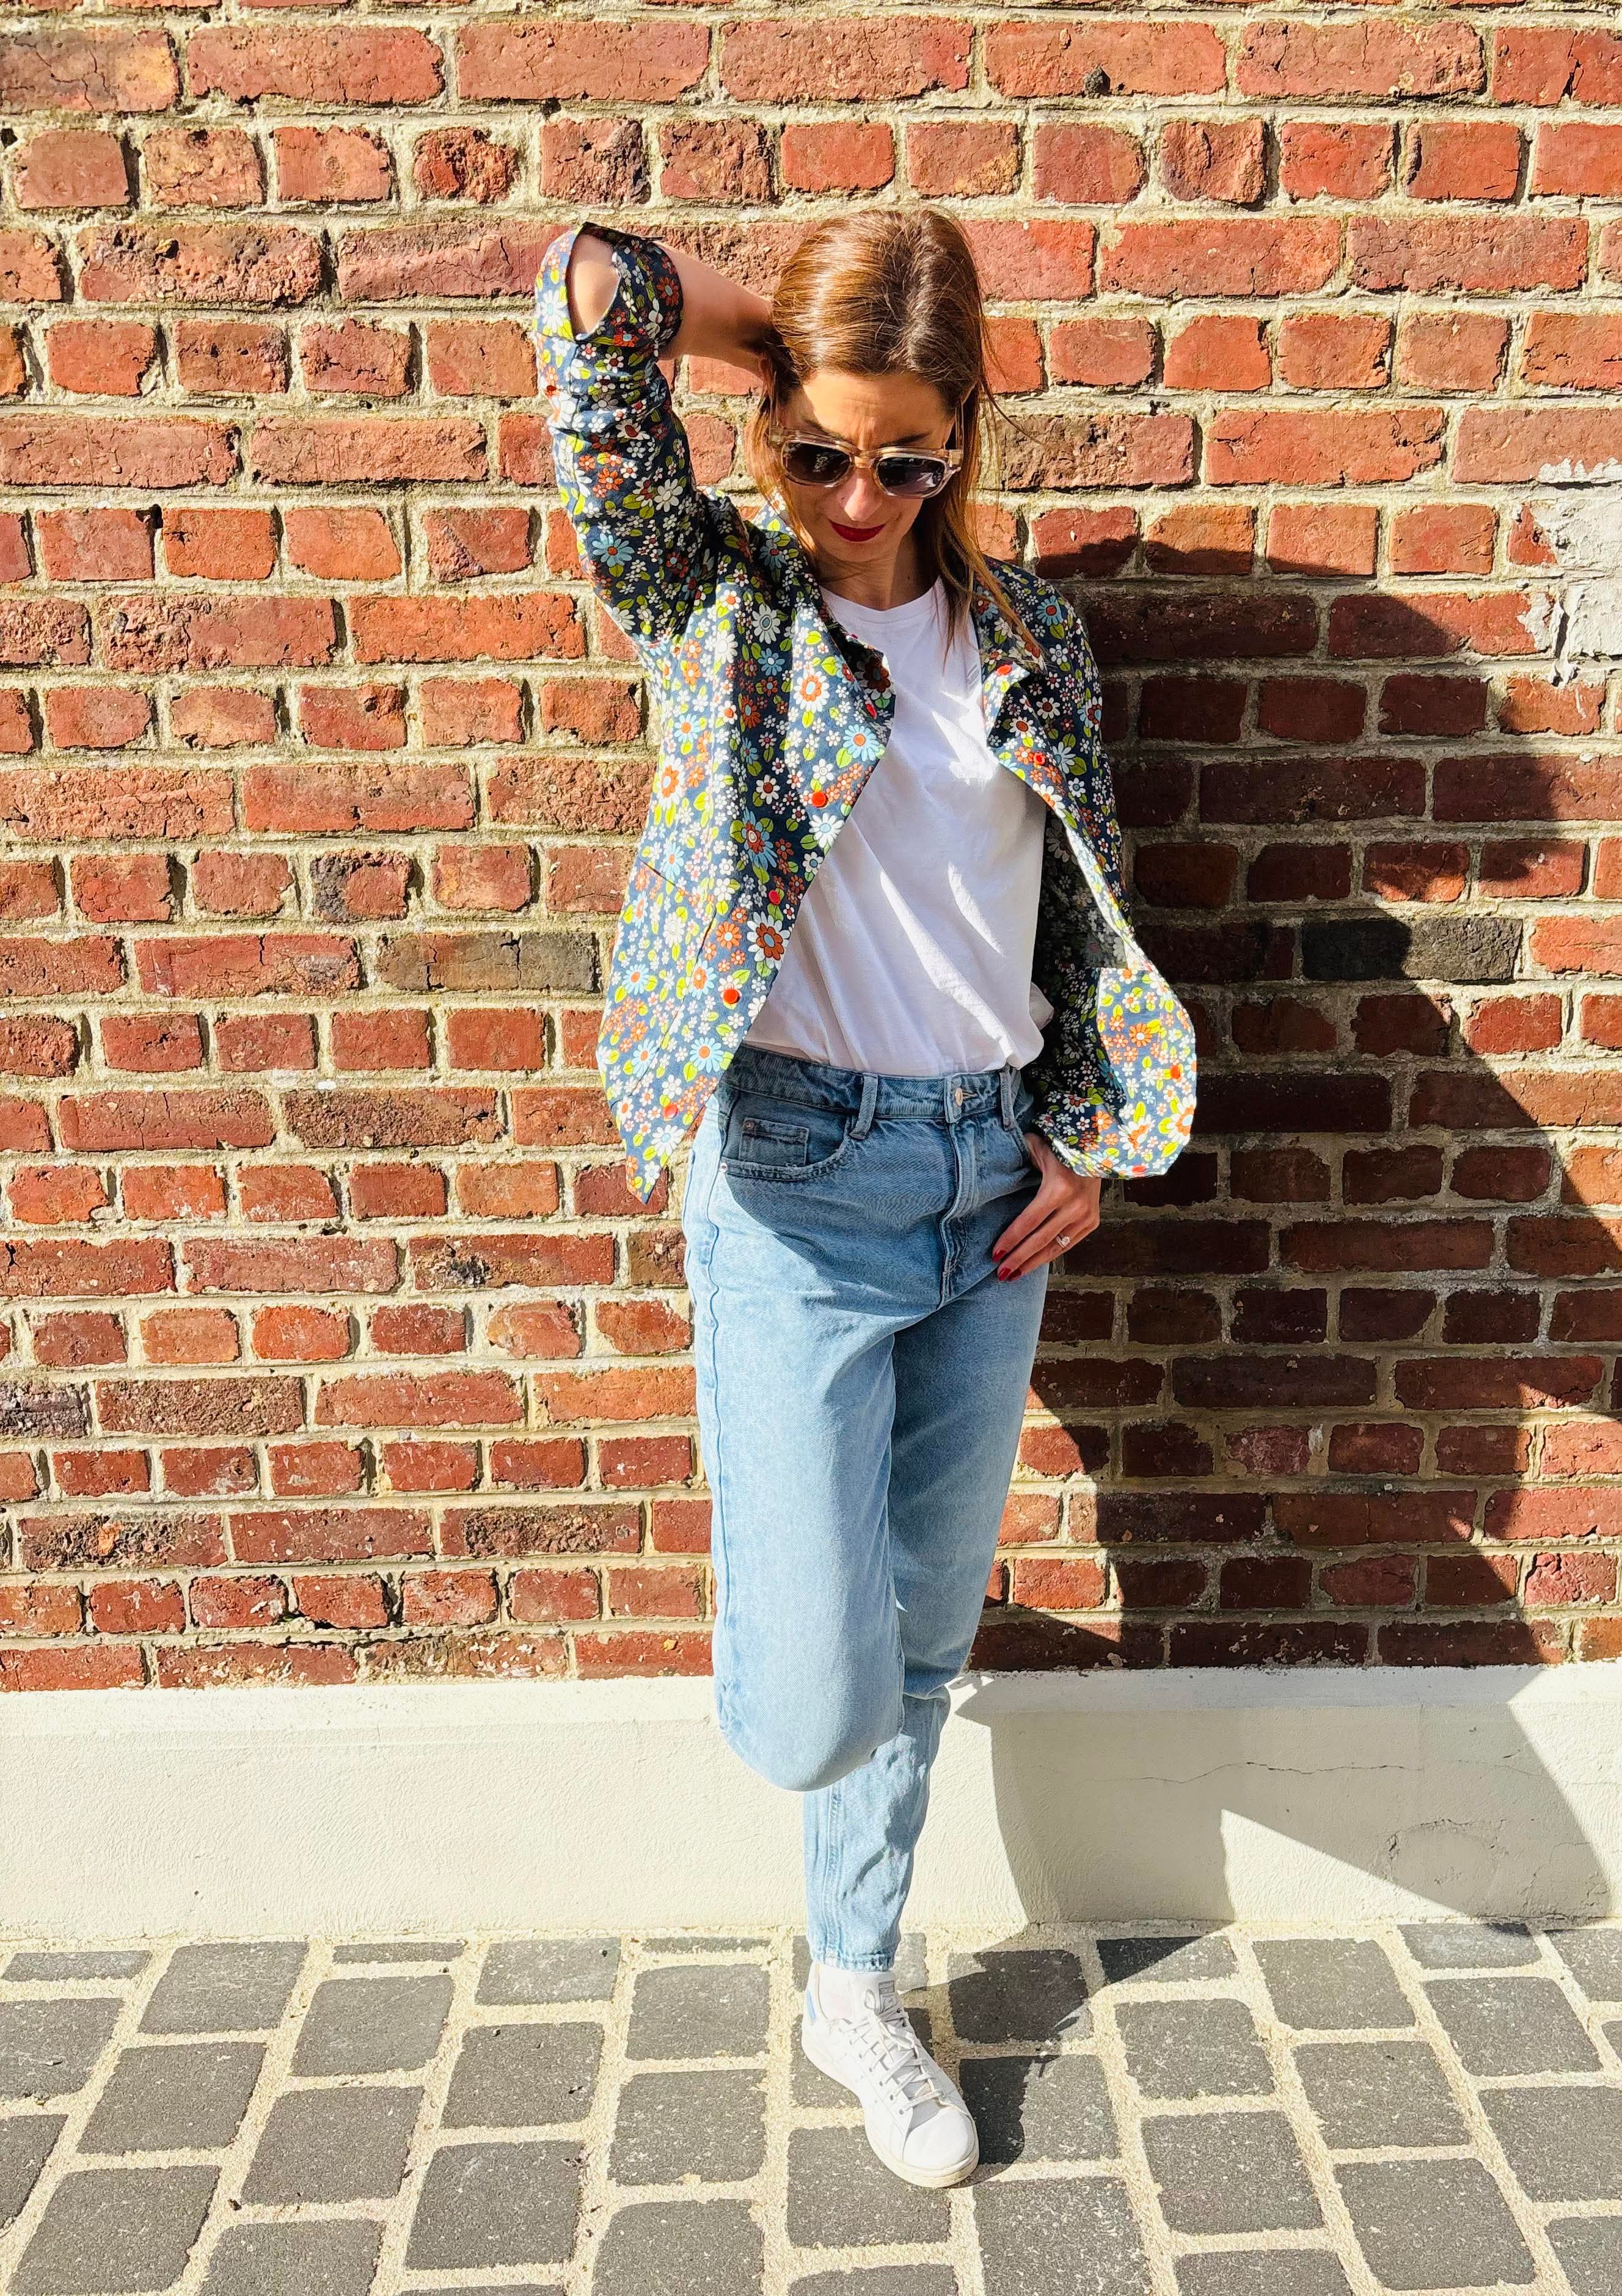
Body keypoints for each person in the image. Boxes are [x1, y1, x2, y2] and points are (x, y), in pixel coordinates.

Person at [533, 208, 1195, 2187]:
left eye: (903, 457)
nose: (851, 499)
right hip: (795, 1179)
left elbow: (1075, 913)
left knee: (919, 1645)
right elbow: (588, 296)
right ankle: (826, 1749)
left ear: (962, 437)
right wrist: (769, 343)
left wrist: (1079, 1133)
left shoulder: (1031, 636)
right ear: (769, 434)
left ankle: (854, 1986)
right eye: (817, 451)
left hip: (989, 1183)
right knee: (817, 1698)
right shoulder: (716, 601)